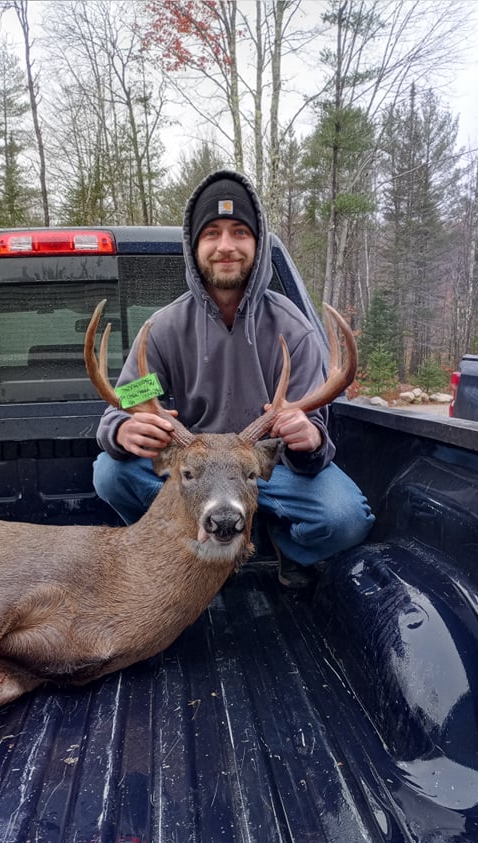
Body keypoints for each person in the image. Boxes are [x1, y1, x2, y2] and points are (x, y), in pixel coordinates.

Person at [92, 169, 374, 586]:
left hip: (265, 468)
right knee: (111, 473)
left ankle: (285, 546)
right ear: (195, 247)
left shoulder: (293, 329)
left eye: (240, 232)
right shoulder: (165, 329)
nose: (226, 246)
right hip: (196, 468)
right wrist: (122, 431)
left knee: (346, 518)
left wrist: (307, 437)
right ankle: (175, 549)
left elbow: (312, 429)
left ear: (256, 245)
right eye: (212, 234)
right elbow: (131, 399)